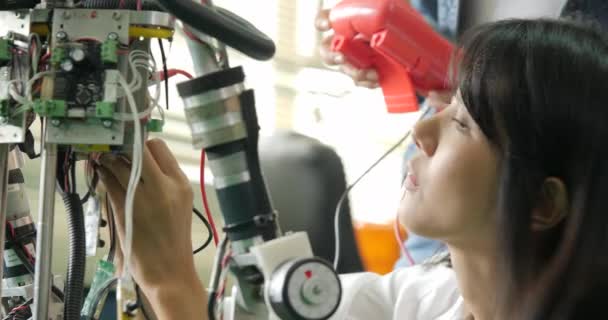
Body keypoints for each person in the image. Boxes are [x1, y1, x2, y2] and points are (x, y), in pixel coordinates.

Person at [98, 18, 608, 320]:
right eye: (444, 106)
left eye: (464, 124)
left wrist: (171, 286)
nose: (421, 133)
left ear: (543, 202)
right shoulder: (434, 298)